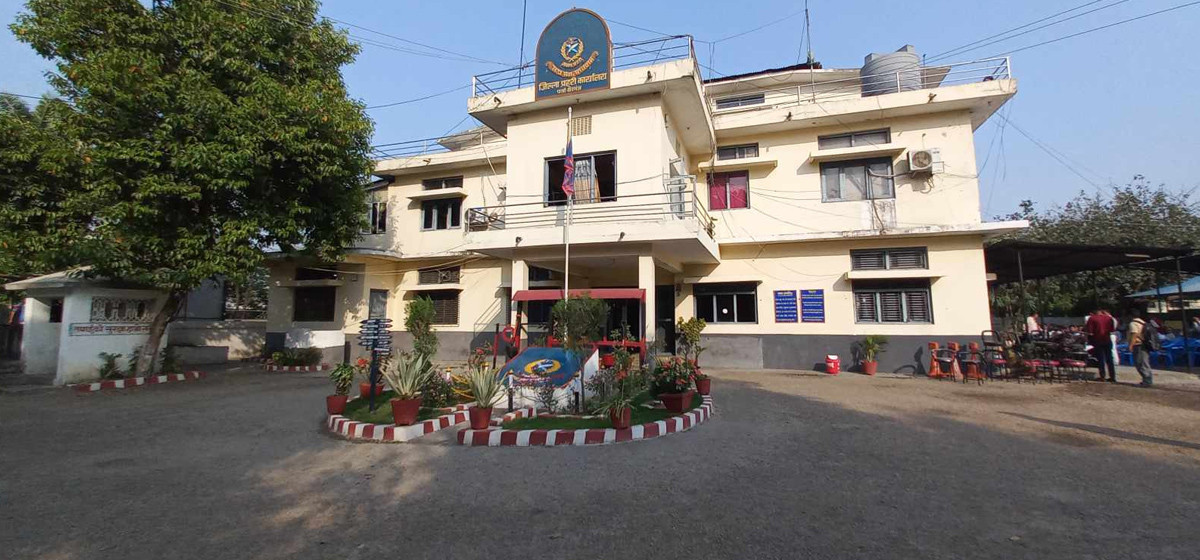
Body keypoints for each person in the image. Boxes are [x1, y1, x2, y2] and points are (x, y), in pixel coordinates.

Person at [1085, 308, 1117, 382]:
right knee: (1110, 358)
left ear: (1094, 313)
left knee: (1100, 358)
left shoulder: (1092, 318)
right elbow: (1112, 330)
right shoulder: (1109, 318)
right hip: (1107, 339)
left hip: (1097, 340)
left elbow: (1090, 331)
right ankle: (1112, 377)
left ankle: (1102, 376)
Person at [1128, 310, 1153, 387]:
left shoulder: (1133, 323)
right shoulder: (1143, 322)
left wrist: (1131, 345)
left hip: (1139, 345)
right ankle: (1148, 380)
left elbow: (1134, 334)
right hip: (1145, 345)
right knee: (1145, 362)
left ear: (1130, 316)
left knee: (1140, 363)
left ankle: (1146, 381)